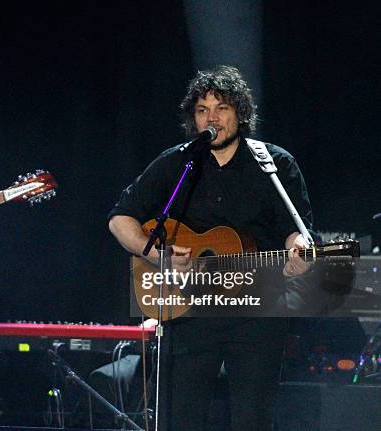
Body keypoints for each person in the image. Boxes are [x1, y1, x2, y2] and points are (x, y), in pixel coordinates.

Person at [108, 65, 313, 430]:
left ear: (241, 114)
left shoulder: (275, 164)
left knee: (252, 420)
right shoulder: (179, 162)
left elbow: (295, 232)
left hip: (256, 312)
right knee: (180, 418)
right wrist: (157, 255)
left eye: (222, 109)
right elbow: (121, 217)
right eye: (203, 110)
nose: (212, 118)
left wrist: (300, 251)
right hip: (188, 313)